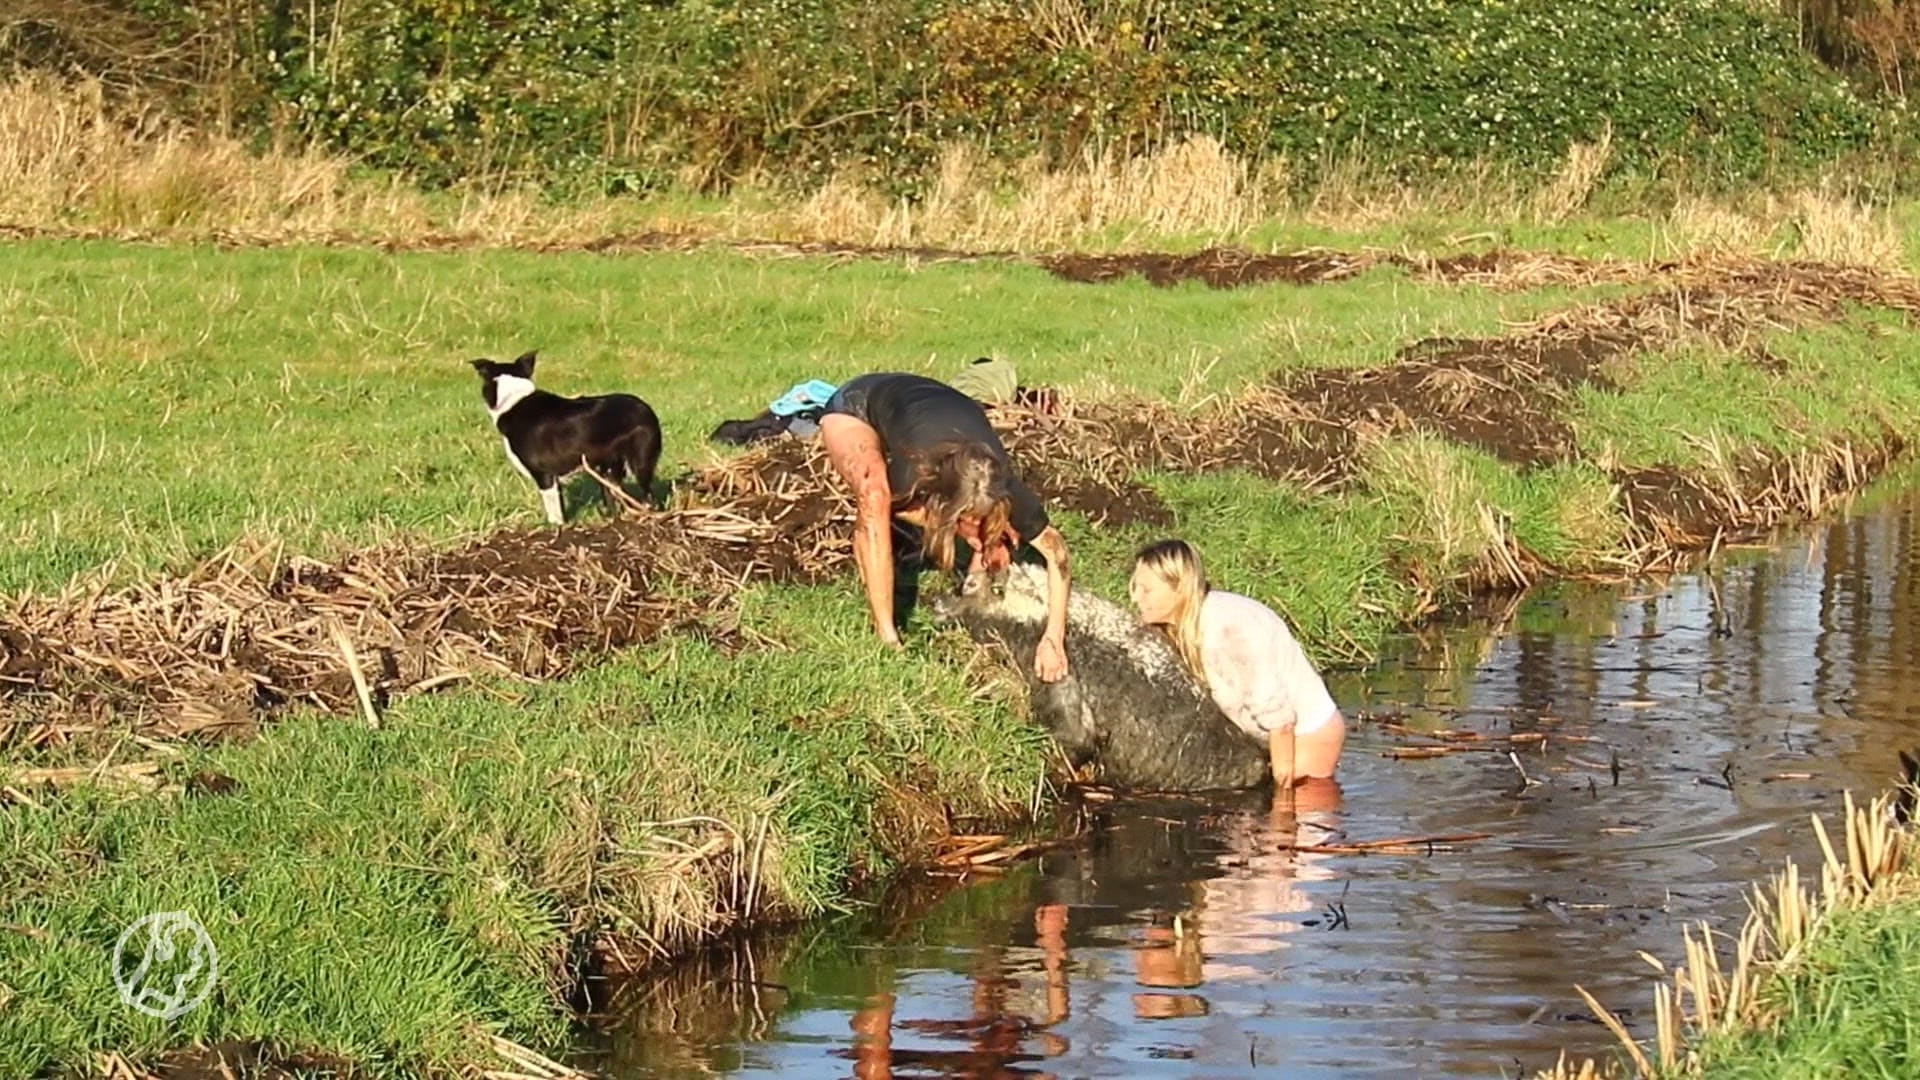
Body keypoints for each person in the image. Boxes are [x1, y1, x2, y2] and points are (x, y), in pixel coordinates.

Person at [820, 372, 1071, 681]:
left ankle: (974, 575)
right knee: (874, 495)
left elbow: (1057, 554)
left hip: (940, 403)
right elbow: (883, 515)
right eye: (968, 519)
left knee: (986, 530)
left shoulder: (1002, 484)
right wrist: (952, 527)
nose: (976, 527)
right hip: (857, 404)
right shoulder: (917, 471)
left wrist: (1053, 638)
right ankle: (886, 635)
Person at [1128, 539, 1345, 791]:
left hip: (1305, 735)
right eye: (1135, 587)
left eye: (1146, 590)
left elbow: (1281, 720)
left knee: (1292, 820)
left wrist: (1282, 810)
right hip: (1260, 738)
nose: (1135, 598)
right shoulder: (1182, 626)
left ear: (1179, 589)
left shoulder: (1230, 632)